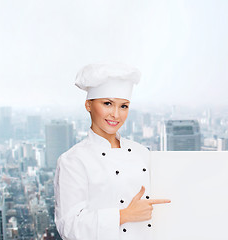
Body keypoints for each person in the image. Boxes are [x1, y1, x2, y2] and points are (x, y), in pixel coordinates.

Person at [54, 63, 171, 240]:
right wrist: (124, 215)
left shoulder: (142, 153)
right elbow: (69, 227)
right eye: (107, 104)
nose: (116, 114)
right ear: (88, 105)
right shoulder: (73, 160)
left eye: (123, 106)